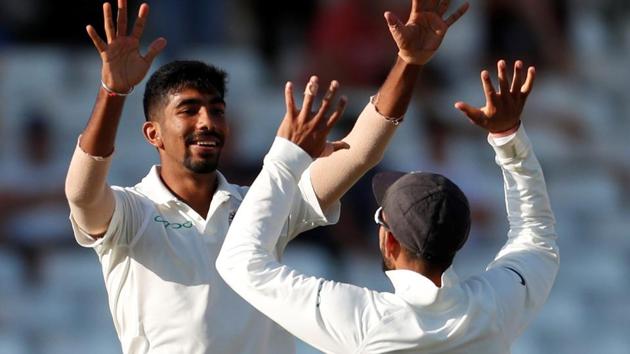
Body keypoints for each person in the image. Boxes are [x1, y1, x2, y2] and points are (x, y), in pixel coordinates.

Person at [64, 0, 468, 353]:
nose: (207, 122)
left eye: (216, 110)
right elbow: (82, 196)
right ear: (153, 133)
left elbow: (360, 152)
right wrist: (113, 93)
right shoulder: (133, 211)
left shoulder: (260, 205)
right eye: (188, 110)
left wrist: (407, 63)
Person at [216, 59, 559, 353]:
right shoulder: (495, 306)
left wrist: (285, 157)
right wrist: (509, 138)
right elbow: (537, 236)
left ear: (389, 241)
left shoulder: (366, 320)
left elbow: (240, 263)